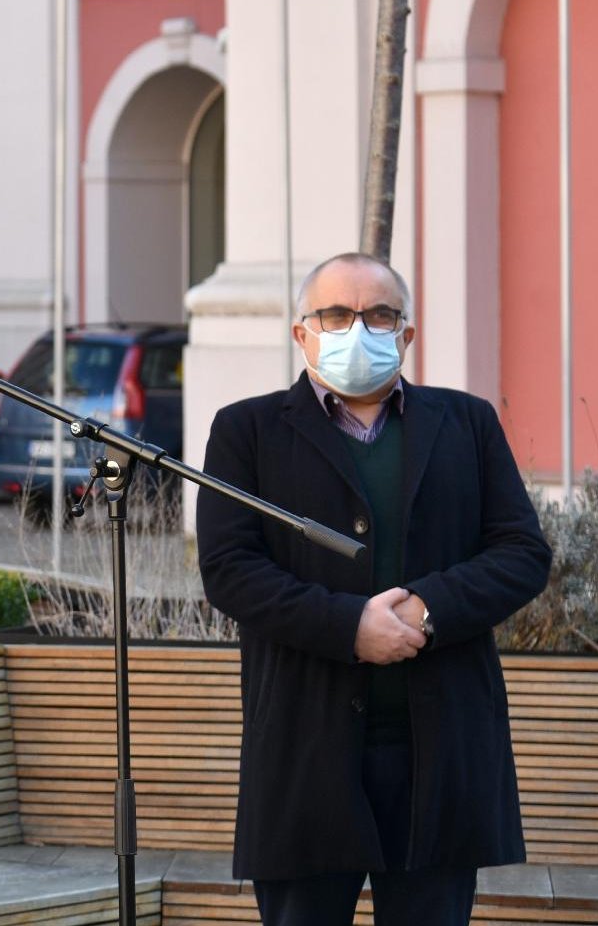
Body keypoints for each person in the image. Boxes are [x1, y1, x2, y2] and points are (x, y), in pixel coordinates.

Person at [197, 252, 550, 926]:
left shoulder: (468, 424)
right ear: (302, 332)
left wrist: (427, 609)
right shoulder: (246, 431)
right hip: (306, 746)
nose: (358, 328)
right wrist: (348, 625)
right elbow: (230, 569)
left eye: (379, 314)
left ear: (406, 335)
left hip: (440, 752)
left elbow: (521, 552)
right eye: (336, 313)